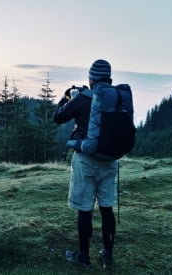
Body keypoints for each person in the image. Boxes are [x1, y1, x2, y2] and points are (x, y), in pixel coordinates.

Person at [53, 59, 120, 268]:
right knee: (107, 208)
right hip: (110, 160)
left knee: (84, 209)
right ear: (109, 79)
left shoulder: (82, 98)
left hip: (86, 160)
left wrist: (66, 96)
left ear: (91, 79)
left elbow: (58, 117)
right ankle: (107, 256)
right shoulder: (118, 97)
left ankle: (83, 257)